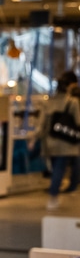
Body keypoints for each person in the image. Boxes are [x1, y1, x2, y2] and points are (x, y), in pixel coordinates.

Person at [33, 70, 80, 210]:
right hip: (66, 142)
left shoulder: (48, 102)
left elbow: (41, 124)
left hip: (50, 142)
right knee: (60, 168)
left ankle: (56, 191)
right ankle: (54, 195)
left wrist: (34, 138)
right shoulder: (73, 102)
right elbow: (78, 121)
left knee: (56, 168)